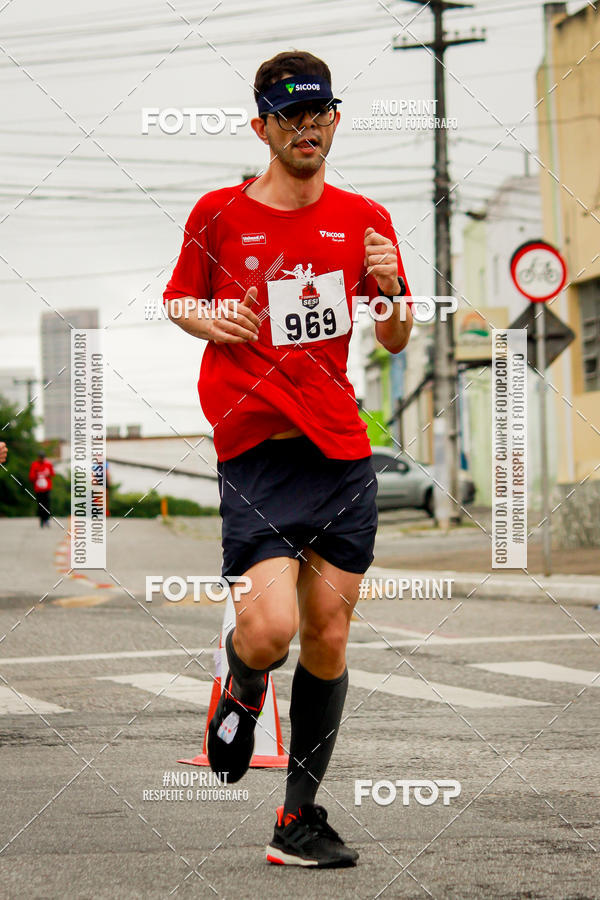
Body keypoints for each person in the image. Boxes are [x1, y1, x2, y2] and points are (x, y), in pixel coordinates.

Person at [164, 50, 413, 868]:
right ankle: (242, 683)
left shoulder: (365, 218)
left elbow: (396, 335)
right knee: (270, 631)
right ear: (262, 127)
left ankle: (297, 820)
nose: (308, 129)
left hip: (339, 454)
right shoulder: (219, 214)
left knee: (328, 635)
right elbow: (178, 298)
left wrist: (393, 292)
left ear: (335, 119)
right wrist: (209, 320)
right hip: (258, 457)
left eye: (319, 114)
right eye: (290, 117)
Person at [29, 451, 55, 527]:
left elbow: (52, 474)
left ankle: (47, 519)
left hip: (47, 488)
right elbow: (31, 477)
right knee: (40, 504)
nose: (41, 459)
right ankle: (41, 519)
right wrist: (37, 475)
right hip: (38, 488)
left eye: (42, 457)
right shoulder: (34, 464)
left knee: (47, 504)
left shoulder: (48, 464)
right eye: (40, 457)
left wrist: (47, 474)